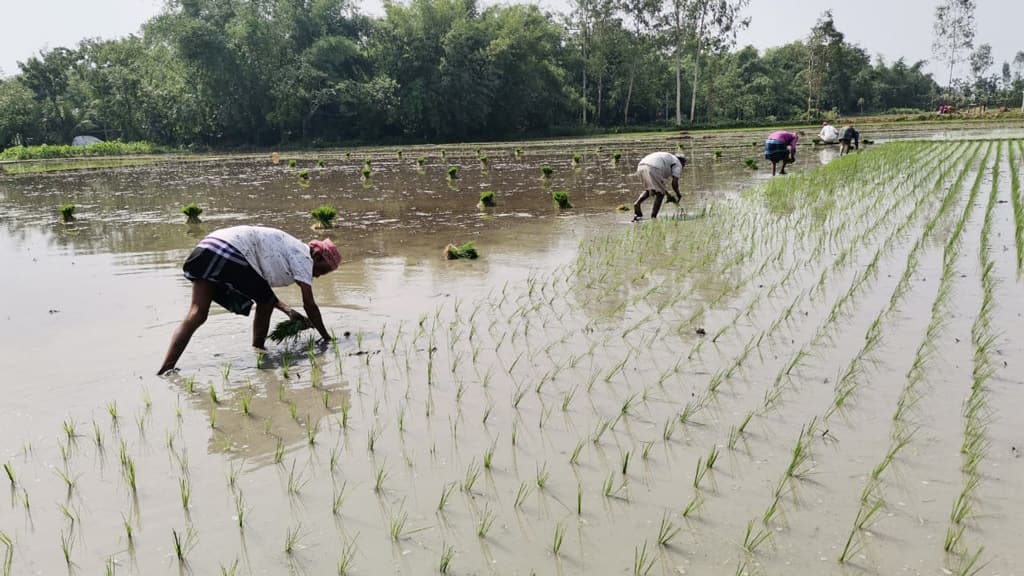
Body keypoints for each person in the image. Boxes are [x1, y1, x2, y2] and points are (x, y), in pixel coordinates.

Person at [158, 226, 341, 374]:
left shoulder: (288, 248)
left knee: (197, 313)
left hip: (207, 248)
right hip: (230, 250)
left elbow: (261, 289)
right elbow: (309, 305)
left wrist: (288, 311)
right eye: (322, 270)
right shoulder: (304, 257)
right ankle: (259, 349)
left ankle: (166, 369)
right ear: (317, 256)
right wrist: (326, 338)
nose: (317, 276)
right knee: (265, 303)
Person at [633, 152, 686, 221]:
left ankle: (637, 203)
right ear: (682, 162)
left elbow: (660, 185)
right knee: (660, 194)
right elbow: (674, 183)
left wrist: (668, 195)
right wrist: (678, 194)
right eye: (684, 164)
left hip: (641, 166)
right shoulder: (678, 164)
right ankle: (653, 217)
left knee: (650, 189)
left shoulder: (669, 158)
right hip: (653, 167)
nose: (683, 166)